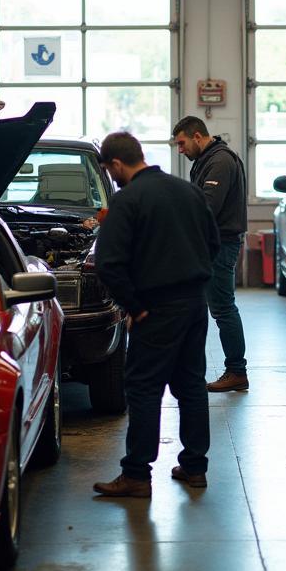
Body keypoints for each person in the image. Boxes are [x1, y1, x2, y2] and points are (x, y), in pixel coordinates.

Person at [92, 132, 220, 498]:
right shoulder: (188, 191)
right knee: (191, 385)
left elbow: (109, 264)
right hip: (195, 304)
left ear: (116, 165)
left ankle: (136, 474)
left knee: (144, 388)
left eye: (109, 169)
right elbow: (212, 244)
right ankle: (195, 468)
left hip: (155, 310)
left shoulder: (127, 200)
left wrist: (135, 306)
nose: (112, 175)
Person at [172, 116, 249, 393]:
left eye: (182, 143)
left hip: (220, 245)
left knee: (223, 308)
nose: (180, 150)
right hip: (210, 244)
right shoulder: (207, 160)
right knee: (214, 307)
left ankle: (237, 371)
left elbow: (206, 207)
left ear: (197, 136)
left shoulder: (219, 161)